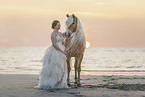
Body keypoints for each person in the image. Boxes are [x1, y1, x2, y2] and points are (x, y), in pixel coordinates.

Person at [35, 20, 68, 90]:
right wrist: (62, 51)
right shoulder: (53, 34)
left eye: (60, 25)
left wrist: (65, 37)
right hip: (56, 51)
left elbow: (63, 41)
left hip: (61, 50)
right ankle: (53, 83)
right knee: (54, 67)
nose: (59, 26)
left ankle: (60, 83)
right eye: (58, 25)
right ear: (54, 26)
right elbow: (54, 44)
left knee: (62, 67)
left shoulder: (60, 33)